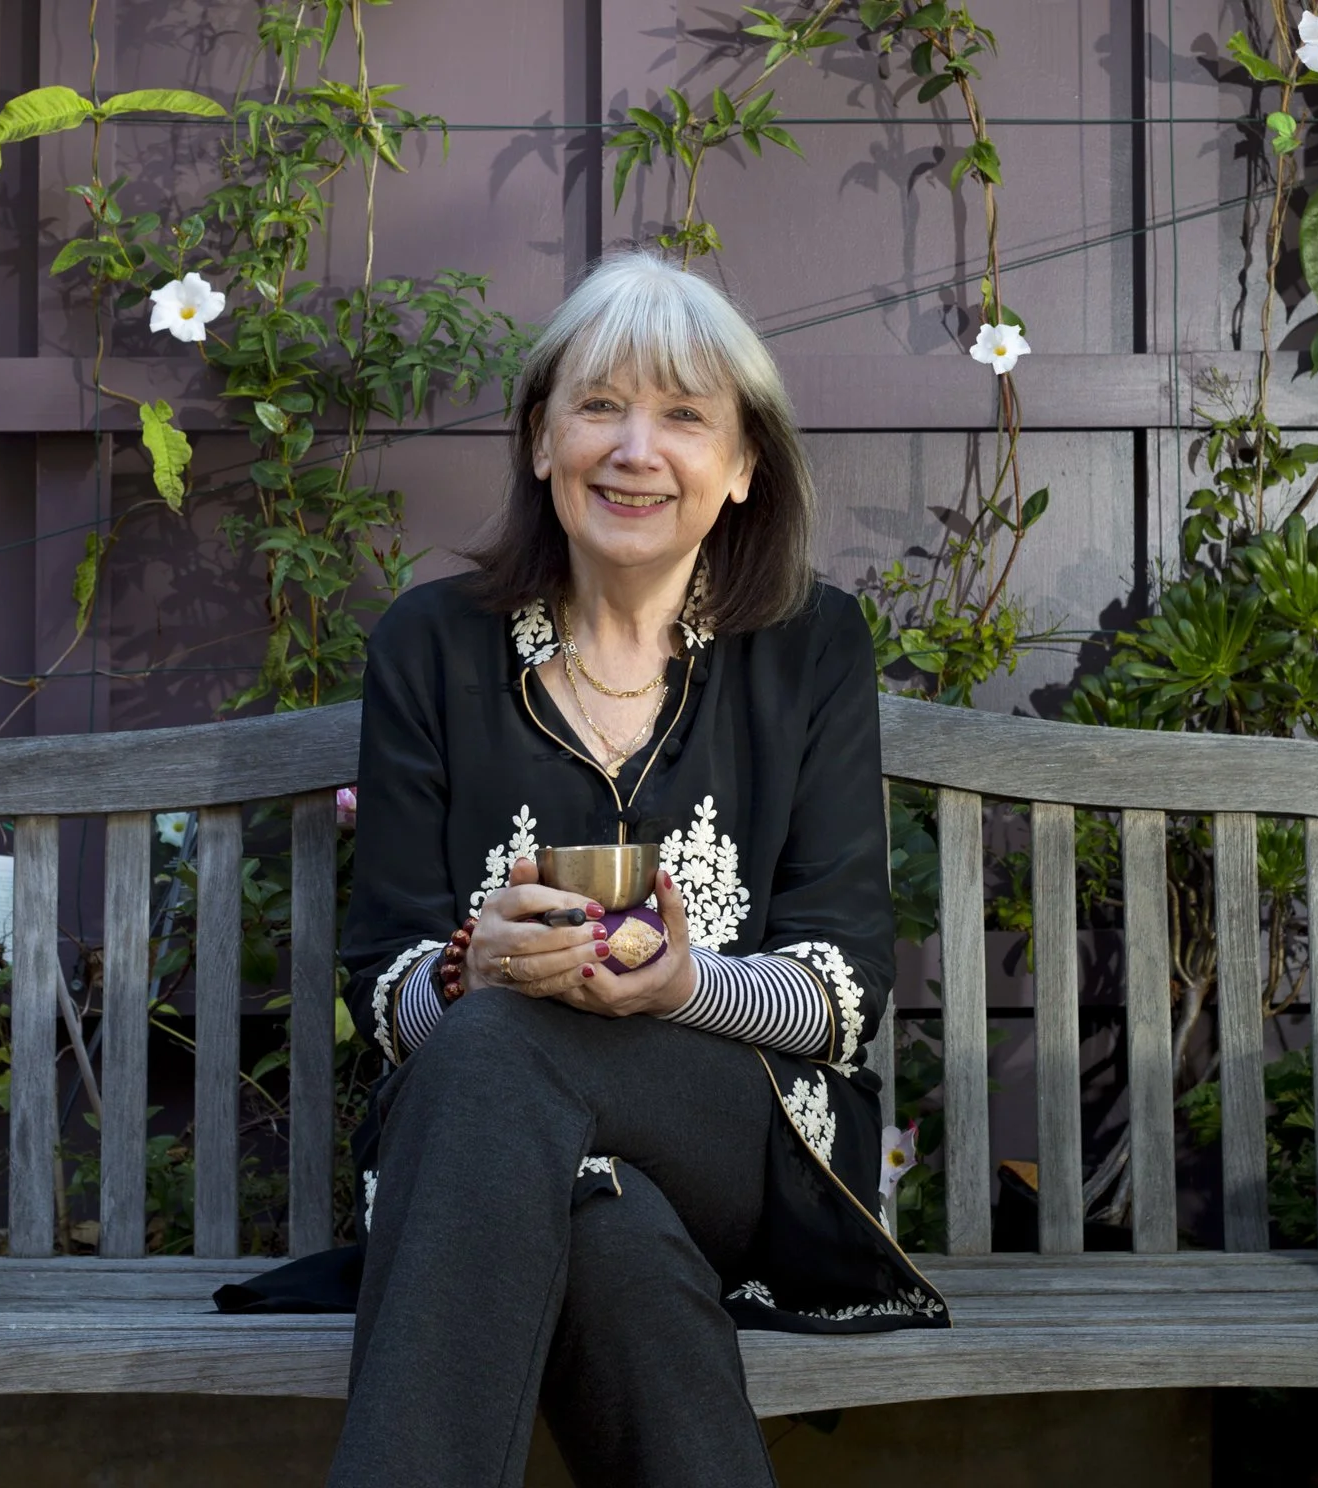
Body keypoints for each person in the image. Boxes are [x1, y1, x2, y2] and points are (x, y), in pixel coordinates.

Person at [327, 252, 950, 1487]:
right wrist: (467, 969)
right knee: (605, 1237)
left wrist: (681, 990)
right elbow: (382, 984)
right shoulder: (431, 646)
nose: (634, 450)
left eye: (682, 416)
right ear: (542, 439)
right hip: (493, 1159)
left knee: (498, 1053)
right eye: (600, 406)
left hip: (740, 1136)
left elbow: (839, 991)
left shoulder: (810, 646)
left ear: (740, 468)